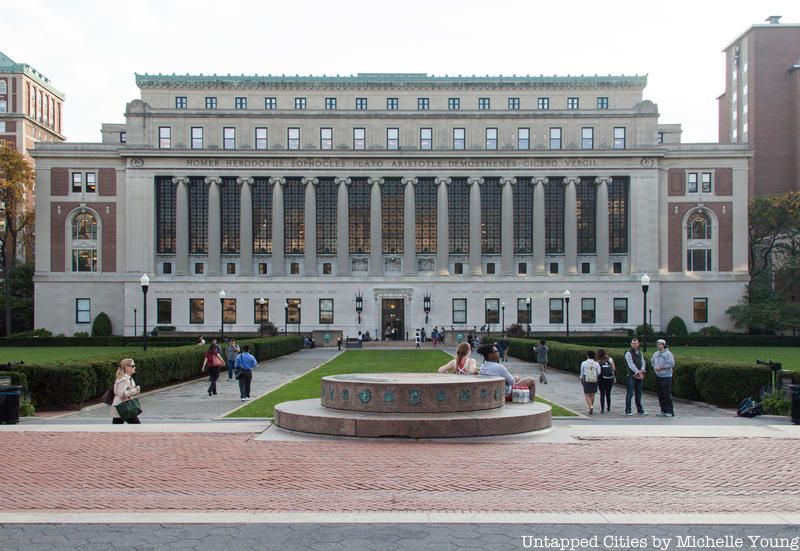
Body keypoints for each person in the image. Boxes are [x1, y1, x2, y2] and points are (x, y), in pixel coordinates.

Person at [111, 358, 141, 424]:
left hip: (123, 407)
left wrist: (135, 390)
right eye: (133, 366)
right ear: (126, 367)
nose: (135, 367)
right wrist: (135, 390)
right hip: (123, 407)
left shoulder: (128, 378)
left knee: (117, 426)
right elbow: (121, 394)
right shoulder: (123, 380)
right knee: (137, 426)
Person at [651, 339, 675, 417]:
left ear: (663, 345)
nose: (658, 345)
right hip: (658, 376)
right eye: (657, 344)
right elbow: (652, 361)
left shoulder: (668, 354)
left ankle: (670, 411)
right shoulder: (655, 354)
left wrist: (662, 368)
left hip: (666, 376)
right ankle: (663, 410)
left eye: (659, 344)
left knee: (666, 394)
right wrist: (655, 368)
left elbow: (671, 364)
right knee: (660, 394)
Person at [624, 337, 647, 416]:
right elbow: (631, 364)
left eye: (635, 343)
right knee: (630, 393)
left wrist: (642, 370)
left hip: (639, 375)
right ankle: (628, 410)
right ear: (631, 344)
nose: (634, 345)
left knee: (639, 393)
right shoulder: (628, 353)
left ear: (638, 344)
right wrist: (638, 372)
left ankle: (640, 410)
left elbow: (643, 362)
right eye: (633, 343)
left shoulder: (640, 353)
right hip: (631, 375)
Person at [580, 350, 601, 415]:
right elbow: (599, 372)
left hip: (586, 379)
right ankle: (590, 406)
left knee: (587, 394)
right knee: (592, 394)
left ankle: (590, 406)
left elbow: (582, 373)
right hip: (594, 380)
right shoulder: (596, 363)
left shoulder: (584, 363)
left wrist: (581, 379)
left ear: (588, 356)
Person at [597, 348, 616, 414]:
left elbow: (598, 371)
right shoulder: (610, 359)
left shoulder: (598, 361)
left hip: (602, 379)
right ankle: (608, 407)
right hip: (609, 378)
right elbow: (614, 369)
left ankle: (602, 409)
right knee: (608, 393)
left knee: (602, 394)